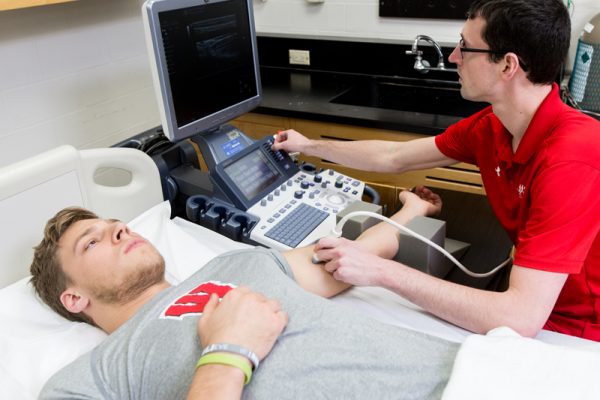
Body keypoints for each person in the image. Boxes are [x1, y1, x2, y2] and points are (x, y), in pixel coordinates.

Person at [272, 0, 600, 342]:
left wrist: (380, 271)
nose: (454, 56)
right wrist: (308, 145)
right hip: (537, 305)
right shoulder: (492, 128)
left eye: (465, 47)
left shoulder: (574, 156)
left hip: (579, 331)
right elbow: (393, 157)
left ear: (507, 66)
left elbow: (519, 317)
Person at [31, 188, 457, 399]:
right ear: (73, 298)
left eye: (114, 224)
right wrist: (226, 355)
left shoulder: (236, 263)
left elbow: (356, 256)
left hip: (474, 372)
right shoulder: (97, 375)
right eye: (92, 241)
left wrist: (412, 209)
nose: (119, 229)